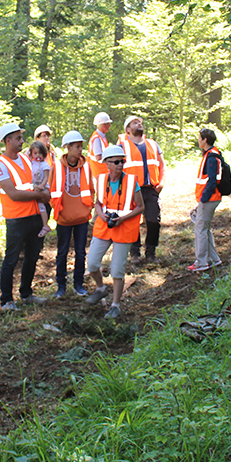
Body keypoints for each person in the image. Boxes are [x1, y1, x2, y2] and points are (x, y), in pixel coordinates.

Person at [0, 123, 52, 310]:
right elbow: (14, 194)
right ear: (7, 140)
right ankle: (7, 300)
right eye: (18, 138)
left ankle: (26, 293)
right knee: (11, 259)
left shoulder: (26, 160)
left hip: (34, 215)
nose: (22, 141)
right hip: (16, 219)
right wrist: (40, 195)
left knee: (32, 256)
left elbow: (36, 181)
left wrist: (42, 194)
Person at [84, 145, 144, 319]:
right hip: (103, 227)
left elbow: (141, 207)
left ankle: (115, 305)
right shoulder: (101, 180)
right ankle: (101, 288)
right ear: (107, 164)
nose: (120, 164)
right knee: (92, 263)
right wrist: (101, 214)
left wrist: (123, 218)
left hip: (124, 229)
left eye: (122, 161)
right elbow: (98, 203)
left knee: (117, 270)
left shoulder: (132, 182)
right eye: (116, 162)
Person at [49, 131, 94, 297]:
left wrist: (88, 208)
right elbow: (51, 190)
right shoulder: (57, 167)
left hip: (82, 218)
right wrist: (57, 208)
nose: (80, 150)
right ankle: (61, 286)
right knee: (62, 253)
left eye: (81, 146)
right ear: (67, 148)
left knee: (81, 252)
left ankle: (78, 284)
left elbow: (91, 189)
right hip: (64, 218)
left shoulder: (87, 166)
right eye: (77, 147)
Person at [119, 115, 166, 266]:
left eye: (140, 122)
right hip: (131, 190)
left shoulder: (152, 144)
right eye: (134, 123)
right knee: (132, 223)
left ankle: (151, 253)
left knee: (153, 220)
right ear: (128, 129)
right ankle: (134, 253)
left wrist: (162, 182)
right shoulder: (122, 147)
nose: (139, 124)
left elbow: (162, 165)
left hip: (151, 188)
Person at [189, 128, 224, 272]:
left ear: (205, 140)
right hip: (210, 198)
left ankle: (202, 262)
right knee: (204, 229)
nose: (198, 140)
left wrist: (203, 199)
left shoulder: (211, 157)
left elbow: (212, 181)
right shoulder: (210, 154)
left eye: (199, 138)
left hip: (210, 199)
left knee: (200, 229)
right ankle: (214, 260)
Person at [28, 140, 53, 238]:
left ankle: (45, 225)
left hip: (41, 187)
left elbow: (46, 177)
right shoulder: (32, 163)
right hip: (33, 186)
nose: (38, 155)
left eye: (40, 153)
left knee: (41, 206)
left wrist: (42, 185)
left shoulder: (44, 165)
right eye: (35, 153)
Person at [87, 112, 112, 179]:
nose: (110, 126)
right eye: (108, 124)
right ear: (103, 125)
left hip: (101, 172)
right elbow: (98, 157)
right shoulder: (97, 138)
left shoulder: (101, 137)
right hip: (98, 172)